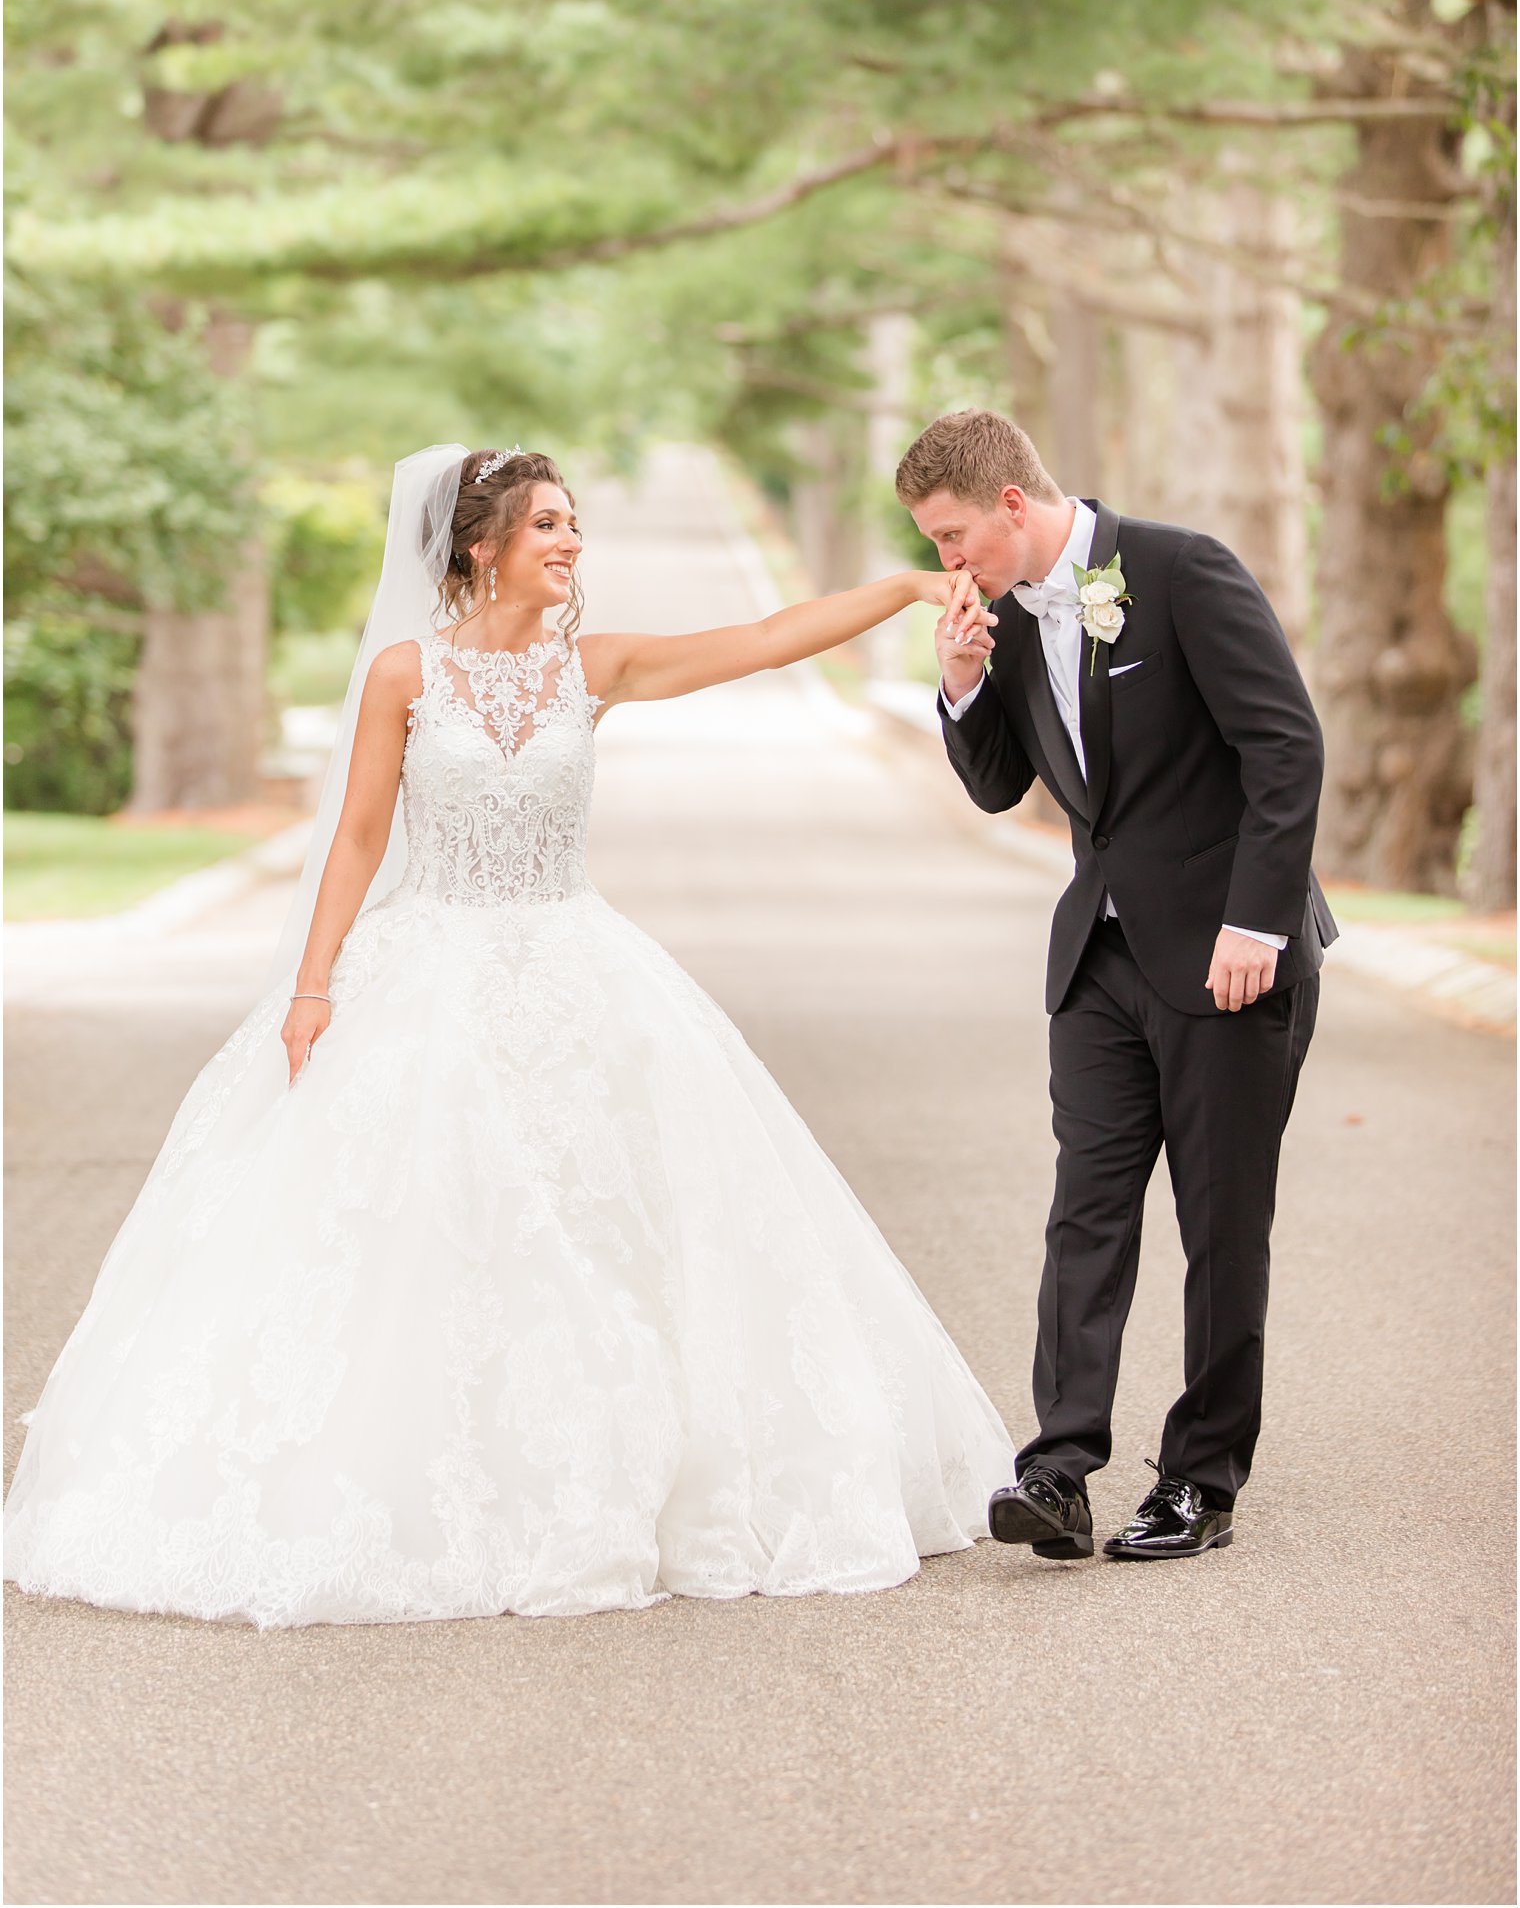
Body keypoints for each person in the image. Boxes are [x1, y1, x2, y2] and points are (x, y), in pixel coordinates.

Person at [4, 443, 1018, 1628]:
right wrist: (312, 986)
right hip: (426, 968)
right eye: (547, 526)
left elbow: (763, 637)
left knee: (606, 1222)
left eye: (573, 524)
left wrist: (903, 589)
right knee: (423, 1222)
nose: (571, 544)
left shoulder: (595, 666)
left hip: (577, 968)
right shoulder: (402, 675)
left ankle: (626, 1468)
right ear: (480, 546)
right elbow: (356, 839)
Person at [897, 408, 1335, 1563]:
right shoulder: (1000, 615)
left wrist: (1258, 921)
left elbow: (1283, 748)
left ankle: (1200, 1479)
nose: (946, 564)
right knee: (1084, 1211)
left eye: (950, 539)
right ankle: (1058, 1468)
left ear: (1009, 504)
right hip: (1096, 957)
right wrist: (958, 682)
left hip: (1227, 954)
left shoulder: (1180, 569)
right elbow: (998, 789)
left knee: (1218, 1222)